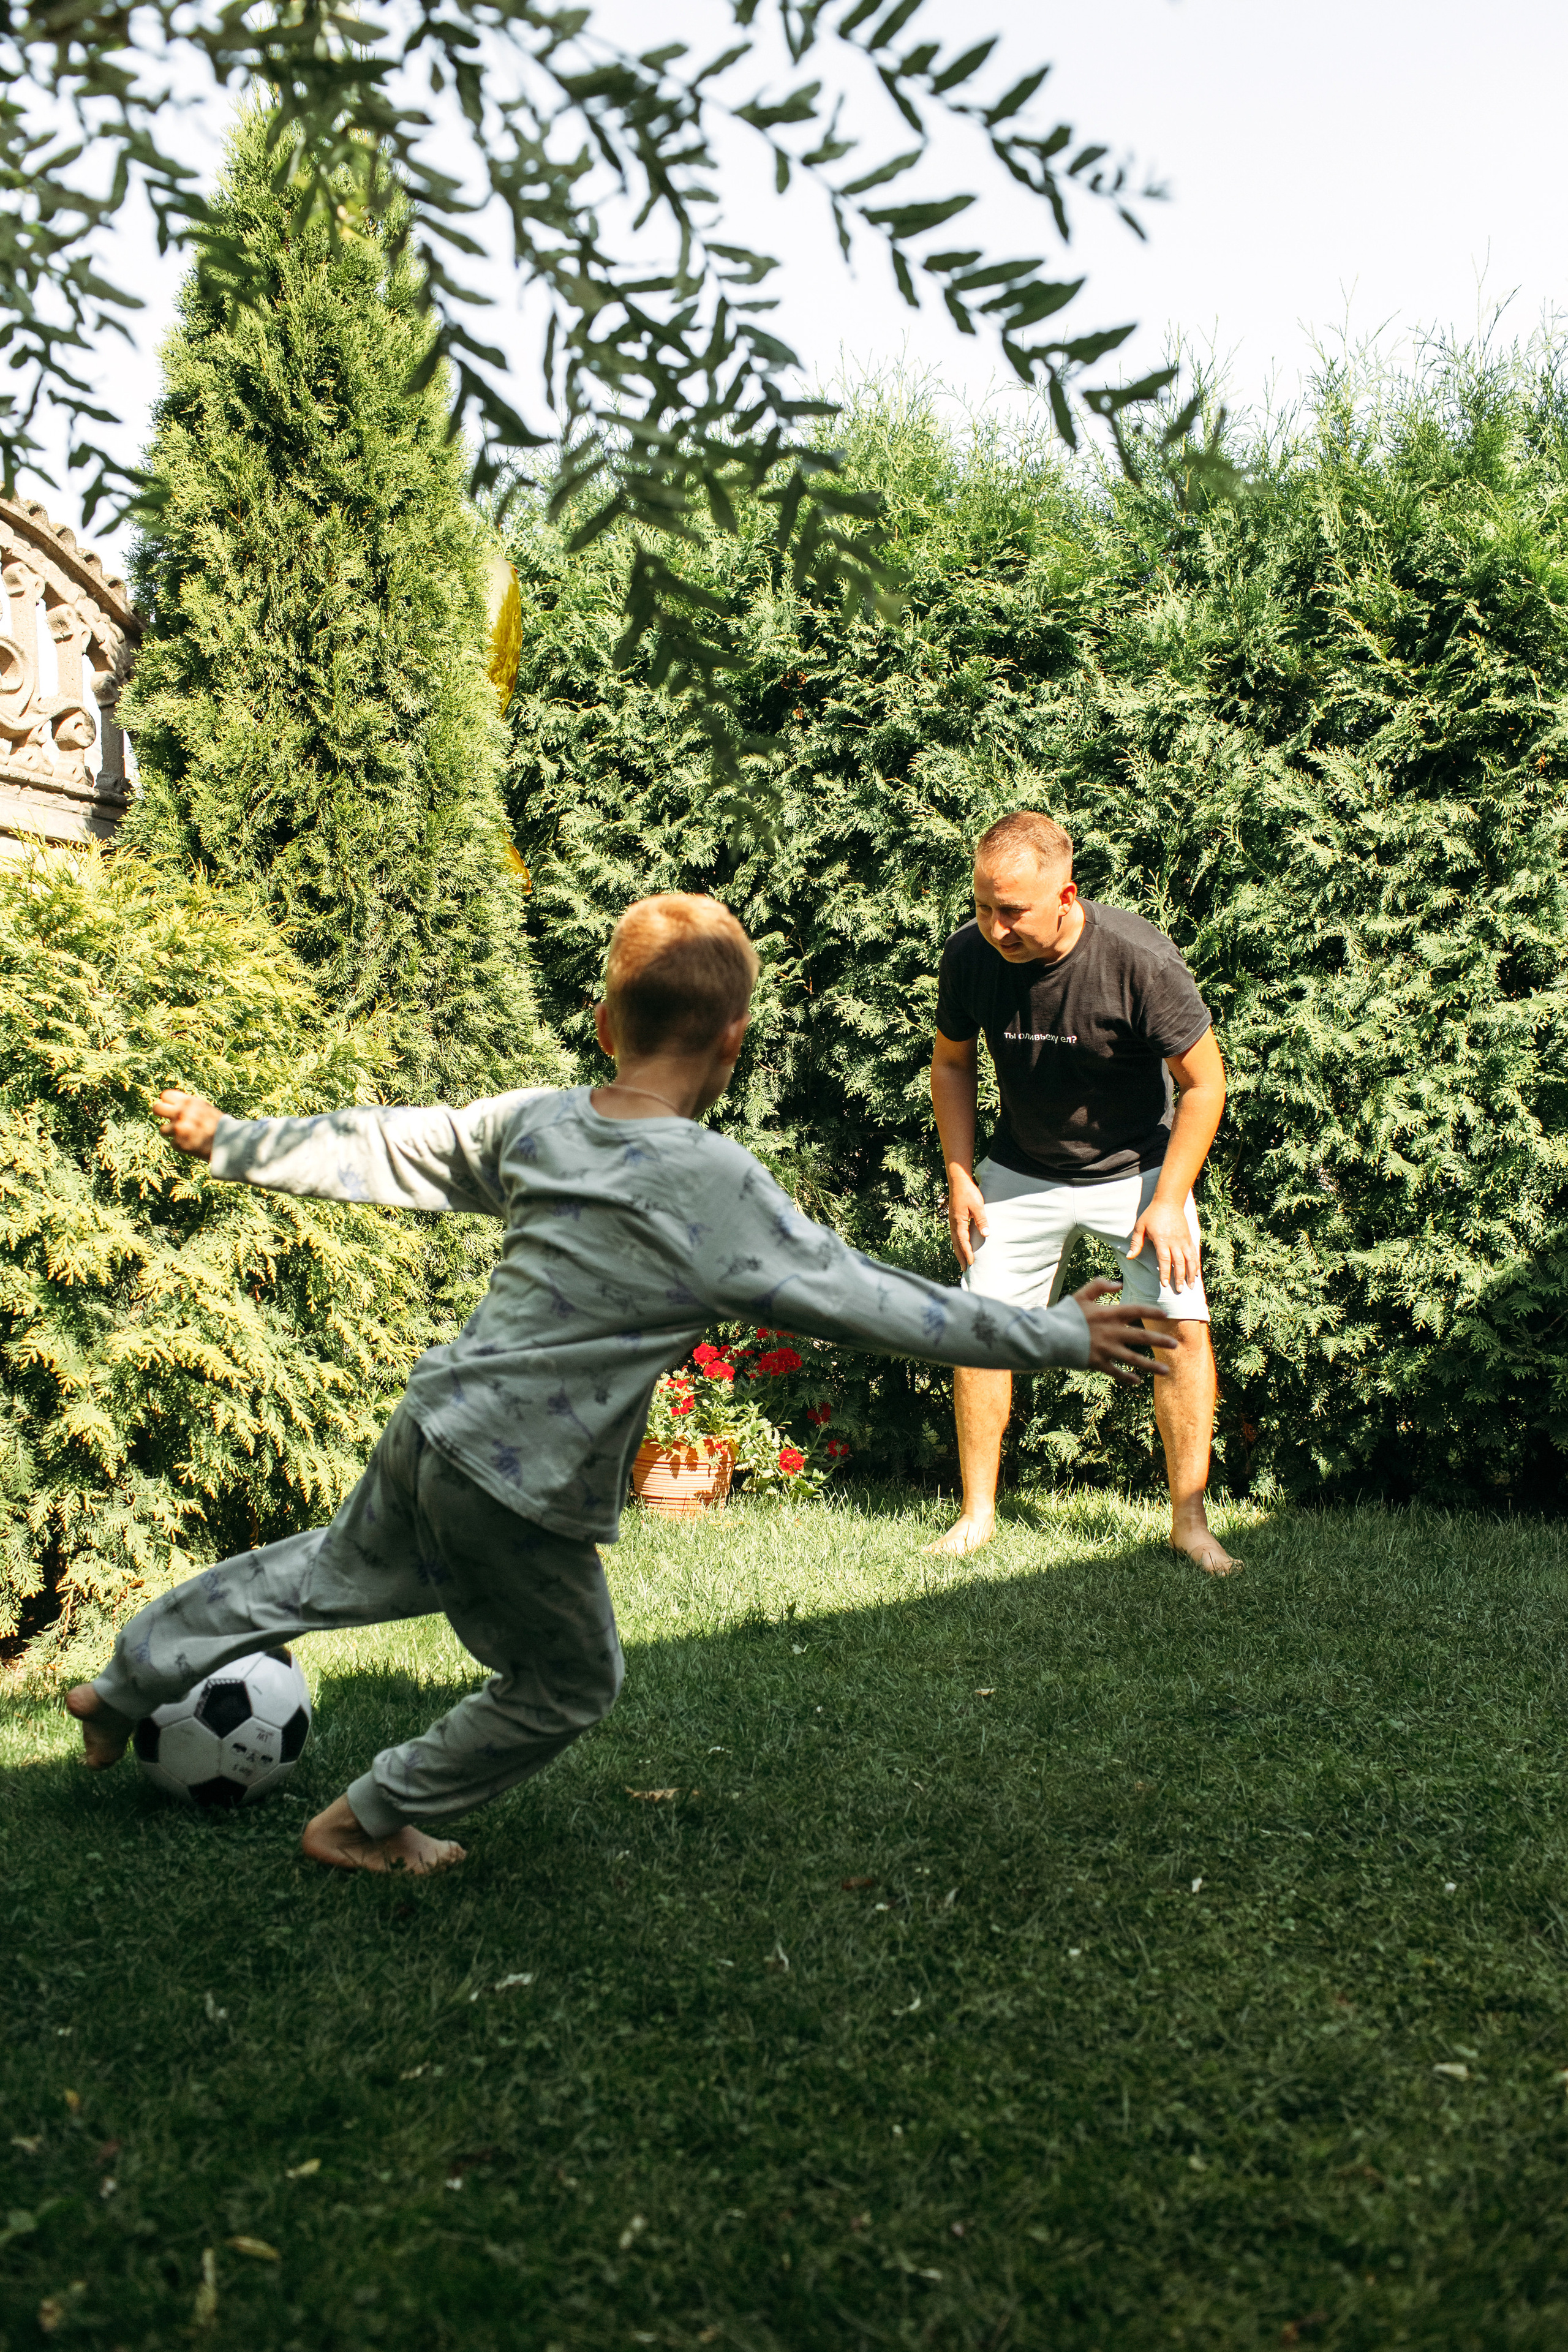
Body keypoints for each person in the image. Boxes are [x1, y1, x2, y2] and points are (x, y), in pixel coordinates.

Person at [67, 892, 1173, 1874]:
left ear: (606, 1027)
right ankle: (366, 1820)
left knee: (310, 1577)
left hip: (434, 1425)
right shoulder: (715, 1184)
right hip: (522, 1484)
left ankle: (120, 1689)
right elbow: (874, 1299)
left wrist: (234, 1140)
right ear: (734, 1042)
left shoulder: (542, 1122)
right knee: (568, 1686)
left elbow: (389, 1146)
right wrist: (1054, 1335)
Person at [927, 810, 1237, 1574]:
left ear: (1065, 895)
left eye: (1013, 912)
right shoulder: (968, 956)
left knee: (1180, 1329)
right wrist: (961, 1174)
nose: (995, 927)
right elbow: (952, 1064)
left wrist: (1169, 1199)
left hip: (1136, 1174)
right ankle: (976, 1516)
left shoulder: (1138, 959)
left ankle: (1190, 1525)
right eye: (982, 906)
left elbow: (1204, 1085)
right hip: (1019, 1170)